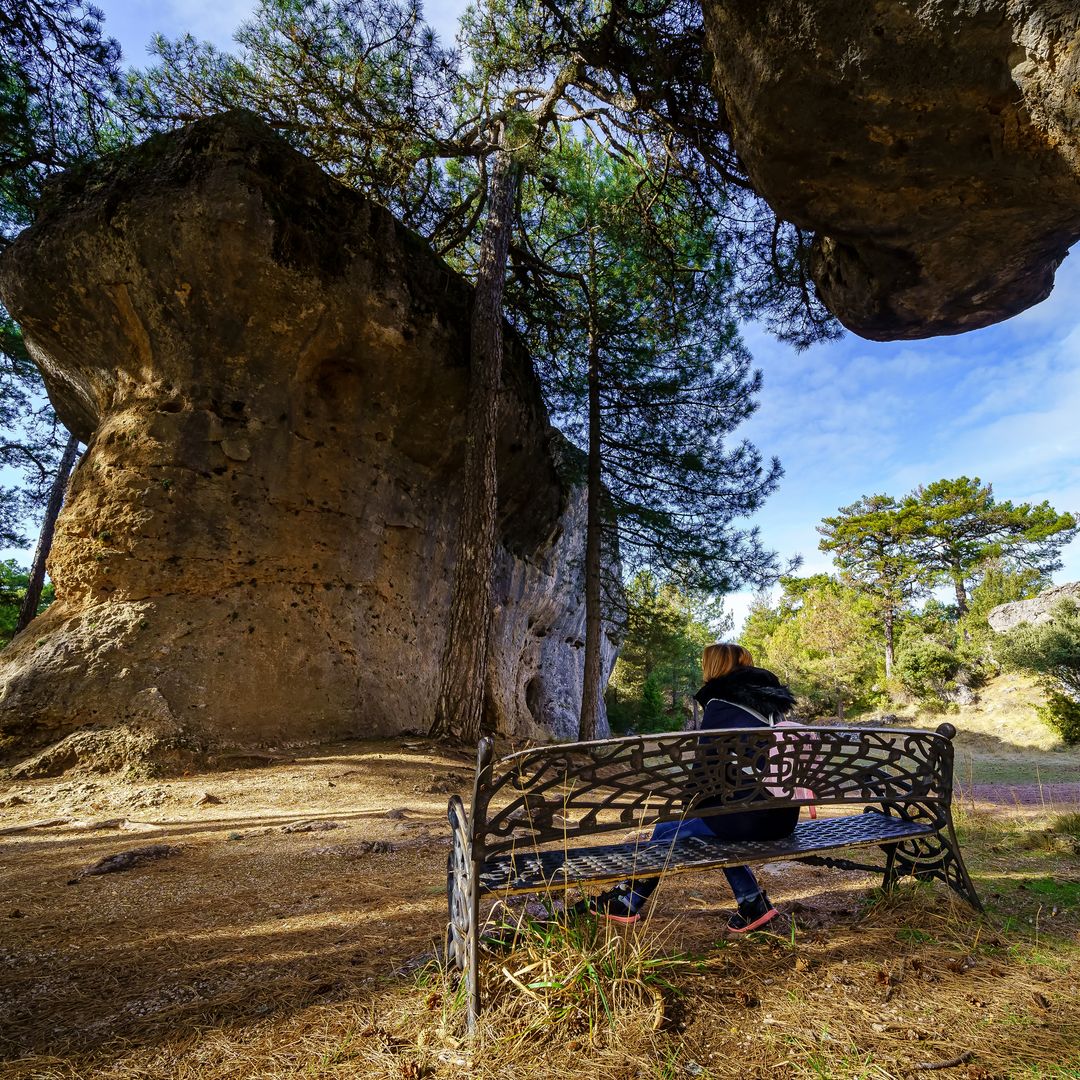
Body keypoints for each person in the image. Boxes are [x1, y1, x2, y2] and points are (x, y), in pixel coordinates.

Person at [589, 643, 799, 933]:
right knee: (686, 830)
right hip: (781, 815)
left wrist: (690, 806)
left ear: (714, 667)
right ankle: (752, 904)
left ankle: (627, 901)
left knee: (677, 831)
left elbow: (705, 773)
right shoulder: (771, 705)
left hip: (752, 818)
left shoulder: (722, 704)